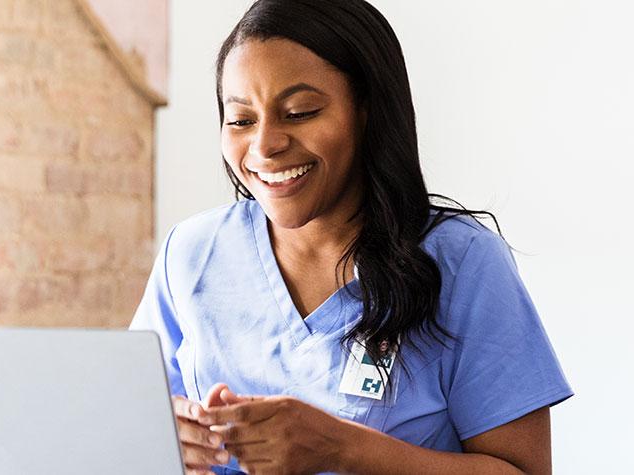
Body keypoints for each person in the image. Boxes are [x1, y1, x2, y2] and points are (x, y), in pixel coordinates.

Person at [129, 1, 573, 474]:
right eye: (241, 120)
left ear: (367, 112)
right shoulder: (192, 253)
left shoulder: (462, 263)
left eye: (299, 112)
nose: (264, 145)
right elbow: (123, 430)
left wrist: (343, 447)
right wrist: (162, 438)